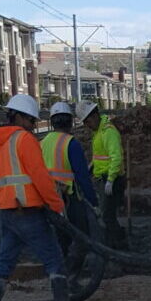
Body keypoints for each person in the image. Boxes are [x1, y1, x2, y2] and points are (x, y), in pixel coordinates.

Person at [0, 93, 76, 301]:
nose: (33, 126)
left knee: (5, 260)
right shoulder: (24, 140)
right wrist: (57, 207)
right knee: (54, 258)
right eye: (31, 121)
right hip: (28, 212)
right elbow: (41, 178)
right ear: (19, 117)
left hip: (7, 212)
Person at [42, 101, 98, 283]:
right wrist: (94, 202)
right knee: (82, 235)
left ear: (52, 122)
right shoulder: (71, 143)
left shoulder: (43, 143)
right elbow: (82, 177)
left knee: (60, 239)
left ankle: (58, 273)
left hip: (49, 198)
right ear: (70, 122)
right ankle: (71, 274)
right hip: (69, 198)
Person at [76, 102, 126, 248]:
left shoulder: (108, 132)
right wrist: (91, 168)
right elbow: (100, 156)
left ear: (95, 115)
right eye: (85, 123)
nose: (87, 125)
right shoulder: (98, 132)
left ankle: (119, 243)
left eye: (88, 121)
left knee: (107, 215)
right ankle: (115, 240)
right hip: (103, 178)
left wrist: (110, 180)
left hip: (112, 180)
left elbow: (116, 157)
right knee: (107, 214)